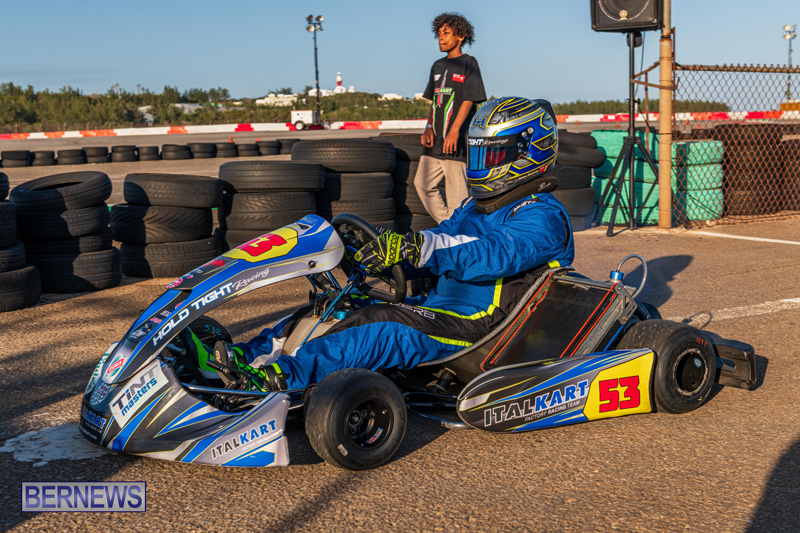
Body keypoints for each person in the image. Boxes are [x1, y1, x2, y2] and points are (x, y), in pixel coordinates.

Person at [199, 97, 572, 392]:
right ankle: (238, 359)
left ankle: (280, 378)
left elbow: (490, 254)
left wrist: (414, 247)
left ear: (530, 152)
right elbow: (443, 245)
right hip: (438, 308)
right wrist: (380, 252)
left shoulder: (542, 216)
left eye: (492, 154)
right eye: (477, 153)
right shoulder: (476, 206)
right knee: (335, 306)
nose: (481, 163)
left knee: (382, 325)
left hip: (476, 326)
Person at [415, 12, 487, 224]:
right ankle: (448, 224)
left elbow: (469, 99)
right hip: (435, 142)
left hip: (457, 142)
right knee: (422, 184)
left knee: (458, 198)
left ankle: (458, 233)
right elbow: (434, 99)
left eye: (446, 33)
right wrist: (428, 126)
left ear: (461, 36)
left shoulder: (469, 63)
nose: (441, 38)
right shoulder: (437, 66)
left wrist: (454, 131)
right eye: (438, 33)